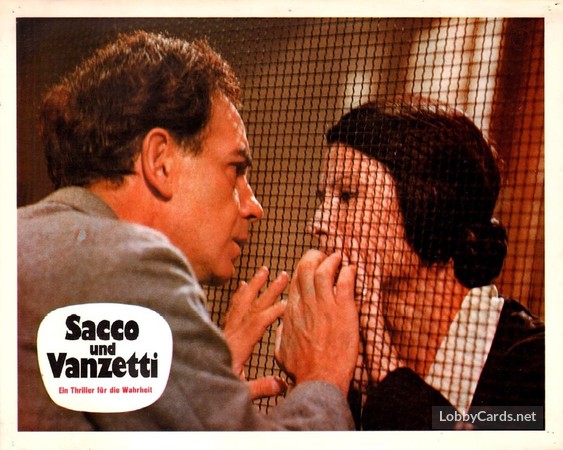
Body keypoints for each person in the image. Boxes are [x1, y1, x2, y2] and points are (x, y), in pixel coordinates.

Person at [17, 30, 359, 431]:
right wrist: (323, 378)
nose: (254, 206)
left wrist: (198, 385)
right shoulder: (128, 267)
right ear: (160, 161)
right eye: (235, 169)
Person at [308, 97, 544, 430]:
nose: (318, 222)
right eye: (323, 199)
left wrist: (385, 373)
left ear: (431, 208)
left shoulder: (537, 364)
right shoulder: (345, 358)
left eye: (347, 195)